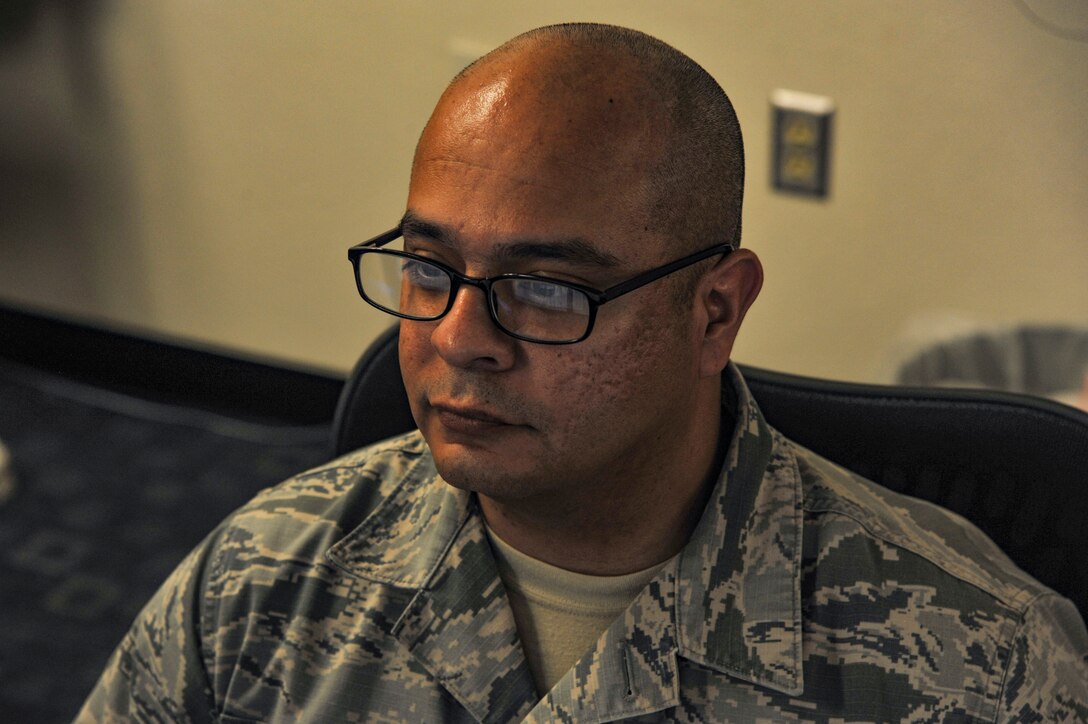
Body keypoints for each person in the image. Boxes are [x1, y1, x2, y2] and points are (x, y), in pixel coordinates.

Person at [79, 23, 1087, 723]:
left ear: (714, 312)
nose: (461, 336)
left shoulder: (979, 666)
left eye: (548, 289)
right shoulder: (266, 578)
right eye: (429, 269)